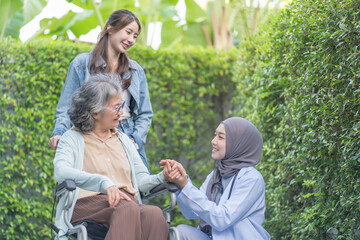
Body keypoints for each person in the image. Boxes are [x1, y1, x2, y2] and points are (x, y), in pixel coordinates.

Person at [53, 73, 168, 240]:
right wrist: (103, 182)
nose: (121, 112)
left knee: (154, 214)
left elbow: (141, 180)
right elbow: (61, 172)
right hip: (87, 204)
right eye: (116, 107)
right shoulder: (71, 139)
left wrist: (162, 177)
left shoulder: (123, 140)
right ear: (95, 112)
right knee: (127, 208)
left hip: (126, 203)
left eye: (121, 106)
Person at [49, 9, 152, 169]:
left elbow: (144, 114)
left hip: (124, 137)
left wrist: (134, 140)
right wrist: (59, 133)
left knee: (129, 191)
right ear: (110, 28)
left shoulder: (135, 71)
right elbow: (66, 108)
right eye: (128, 32)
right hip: (88, 136)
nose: (131, 39)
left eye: (135, 36)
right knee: (91, 190)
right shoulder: (81, 64)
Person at [160, 117, 271, 240]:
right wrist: (181, 183)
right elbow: (191, 212)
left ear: (237, 143)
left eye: (221, 137)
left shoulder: (251, 178)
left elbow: (223, 219)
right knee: (180, 232)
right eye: (215, 135)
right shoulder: (216, 175)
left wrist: (187, 187)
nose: (213, 141)